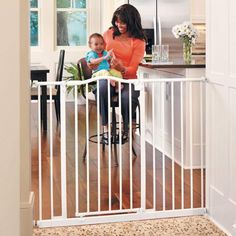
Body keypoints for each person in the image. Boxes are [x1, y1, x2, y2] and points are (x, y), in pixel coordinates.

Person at [93, 4, 146, 143]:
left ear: (132, 21)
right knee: (102, 87)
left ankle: (127, 129)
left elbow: (133, 69)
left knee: (127, 97)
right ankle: (105, 128)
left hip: (127, 80)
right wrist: (94, 61)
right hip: (108, 76)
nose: (119, 24)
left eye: (123, 22)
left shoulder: (138, 41)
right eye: (117, 21)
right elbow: (97, 50)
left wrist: (121, 68)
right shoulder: (108, 34)